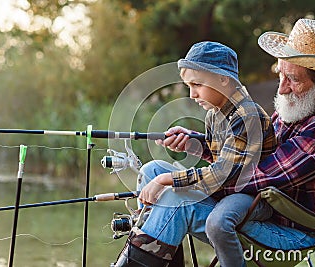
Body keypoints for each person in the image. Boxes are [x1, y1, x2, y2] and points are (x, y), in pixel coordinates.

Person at [205, 18, 315, 266]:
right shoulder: (295, 108)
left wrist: (197, 180)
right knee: (171, 195)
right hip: (266, 211)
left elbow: (263, 175)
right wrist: (201, 145)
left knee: (184, 204)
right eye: (281, 75)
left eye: (294, 79)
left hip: (296, 231)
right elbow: (256, 150)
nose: (283, 89)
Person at [112, 41, 276, 266]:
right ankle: (159, 257)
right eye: (188, 85)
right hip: (225, 193)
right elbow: (220, 151)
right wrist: (190, 142)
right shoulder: (215, 112)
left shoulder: (247, 114)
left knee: (169, 191)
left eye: (197, 84)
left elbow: (223, 173)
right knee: (151, 170)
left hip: (249, 201)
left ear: (223, 79)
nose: (192, 94)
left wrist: (166, 180)